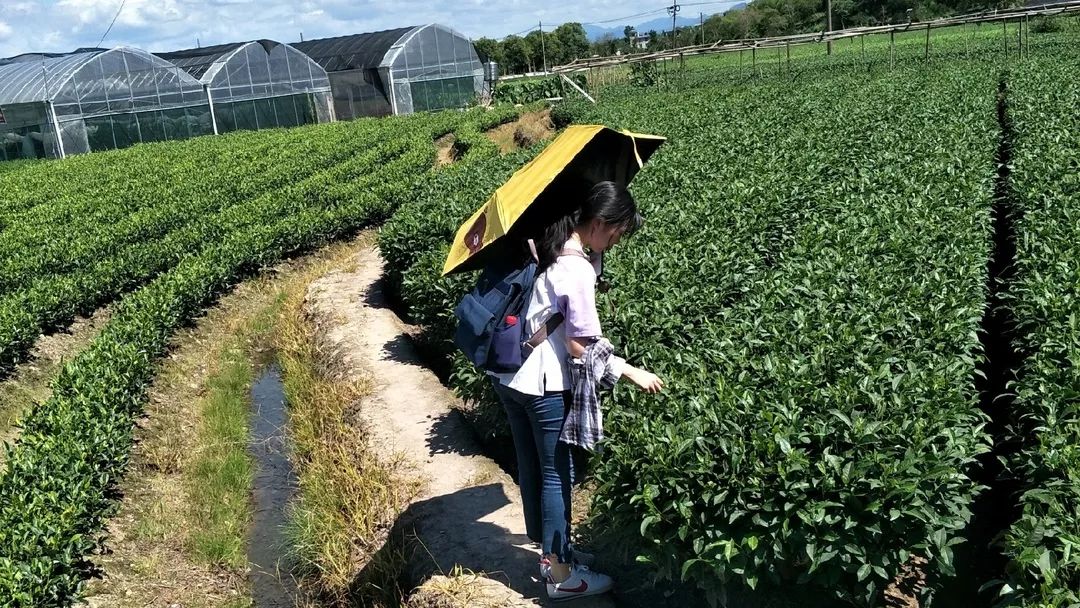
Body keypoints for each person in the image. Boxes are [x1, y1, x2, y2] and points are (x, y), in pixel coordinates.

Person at [491, 180, 664, 601]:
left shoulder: (548, 245)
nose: (617, 241)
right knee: (557, 477)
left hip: (511, 378)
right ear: (602, 224)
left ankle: (554, 552)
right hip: (543, 385)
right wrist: (629, 370)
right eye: (618, 233)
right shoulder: (576, 268)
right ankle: (562, 576)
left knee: (532, 468)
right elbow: (579, 344)